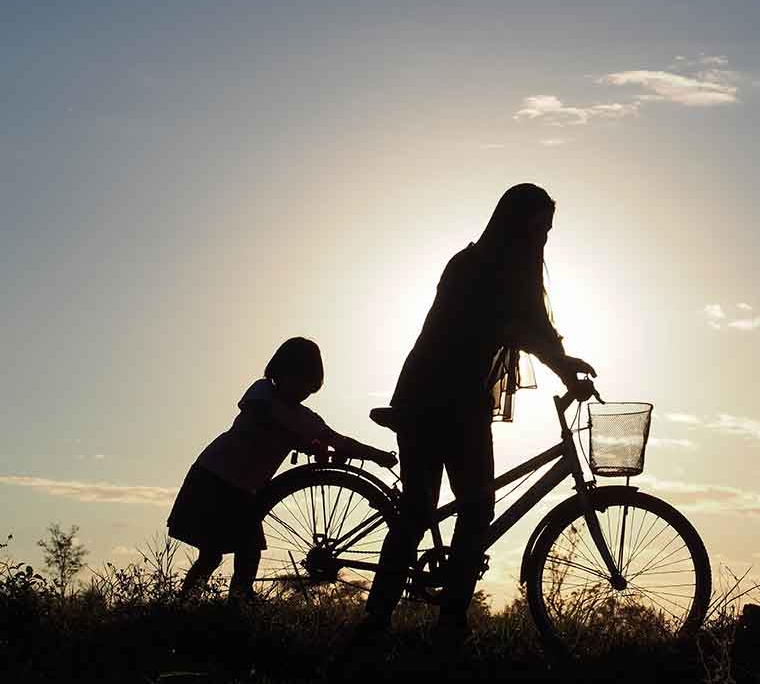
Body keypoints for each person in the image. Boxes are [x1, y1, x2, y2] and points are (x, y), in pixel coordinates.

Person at [362, 183, 597, 643]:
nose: (543, 239)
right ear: (515, 223)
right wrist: (560, 364)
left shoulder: (517, 274)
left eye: (548, 231)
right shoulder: (471, 266)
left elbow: (538, 327)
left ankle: (433, 622)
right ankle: (403, 622)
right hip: (432, 396)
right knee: (438, 510)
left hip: (462, 400)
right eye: (538, 228)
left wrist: (566, 367)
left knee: (459, 510)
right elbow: (504, 325)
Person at [167, 336, 397, 600]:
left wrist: (377, 455)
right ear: (280, 372)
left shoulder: (306, 419)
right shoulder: (262, 391)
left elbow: (339, 440)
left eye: (309, 384)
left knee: (249, 547)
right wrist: (303, 442)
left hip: (247, 490)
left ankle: (240, 597)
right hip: (215, 477)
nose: (302, 388)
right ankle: (186, 602)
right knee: (211, 553)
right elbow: (259, 416)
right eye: (298, 379)